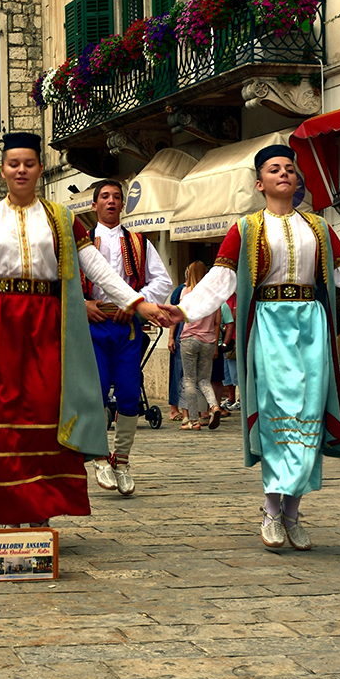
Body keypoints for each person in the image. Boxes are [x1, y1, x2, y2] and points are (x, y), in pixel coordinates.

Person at [0, 133, 169, 529]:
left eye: (29, 163)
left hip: (48, 325)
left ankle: (39, 510)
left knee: (44, 412)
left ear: (40, 168)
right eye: (13, 163)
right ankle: (11, 512)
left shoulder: (62, 219)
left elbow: (97, 268)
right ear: (3, 170)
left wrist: (139, 303)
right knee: (4, 416)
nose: (21, 169)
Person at [162, 144, 340, 552]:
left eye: (289, 169)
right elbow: (221, 282)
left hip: (311, 321)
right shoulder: (246, 228)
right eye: (274, 169)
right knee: (280, 410)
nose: (283, 174)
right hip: (271, 323)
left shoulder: (319, 227)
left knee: (310, 412)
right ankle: (271, 509)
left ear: (296, 181)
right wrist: (182, 311)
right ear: (260, 183)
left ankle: (292, 513)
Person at [83, 179, 172, 496]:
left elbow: (163, 282)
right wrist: (83, 304)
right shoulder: (80, 242)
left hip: (127, 325)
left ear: (123, 205)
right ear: (94, 205)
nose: (110, 201)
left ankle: (121, 460)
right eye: (104, 197)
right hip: (91, 324)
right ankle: (97, 456)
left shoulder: (140, 242)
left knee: (130, 393)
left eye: (116, 197)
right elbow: (62, 281)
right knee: (94, 393)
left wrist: (135, 301)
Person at [176, 261, 224, 431]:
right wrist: (216, 344)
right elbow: (218, 322)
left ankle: (193, 420)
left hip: (189, 338)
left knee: (189, 379)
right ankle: (214, 406)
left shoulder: (186, 292)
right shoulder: (214, 295)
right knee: (204, 379)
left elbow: (183, 314)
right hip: (209, 340)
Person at [166, 273, 187, 422]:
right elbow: (173, 315)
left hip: (195, 335)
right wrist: (171, 337)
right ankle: (174, 408)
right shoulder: (180, 290)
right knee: (177, 371)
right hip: (180, 334)